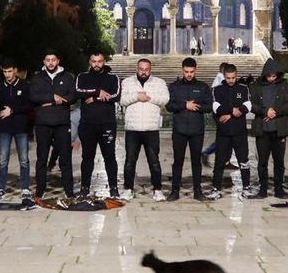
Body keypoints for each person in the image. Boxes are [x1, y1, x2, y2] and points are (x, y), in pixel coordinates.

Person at [120, 58, 170, 201]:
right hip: (132, 128)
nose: (143, 72)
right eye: (141, 69)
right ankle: (128, 189)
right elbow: (122, 100)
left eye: (146, 69)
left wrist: (147, 96)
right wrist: (136, 96)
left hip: (151, 128)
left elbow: (165, 99)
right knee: (130, 161)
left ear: (150, 69)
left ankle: (158, 190)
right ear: (137, 69)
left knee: (154, 161)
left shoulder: (159, 82)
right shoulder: (127, 82)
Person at [30, 50, 77, 198]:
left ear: (58, 61)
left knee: (65, 158)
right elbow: (33, 96)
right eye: (48, 60)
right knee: (42, 158)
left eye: (53, 60)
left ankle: (69, 191)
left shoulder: (67, 77)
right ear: (44, 62)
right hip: (43, 123)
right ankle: (40, 190)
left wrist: (51, 102)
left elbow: (73, 96)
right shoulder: (37, 77)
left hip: (62, 123)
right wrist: (53, 97)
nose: (51, 63)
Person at [75, 52, 121, 198]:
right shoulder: (82, 77)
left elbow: (116, 96)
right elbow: (77, 92)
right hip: (87, 125)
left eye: (99, 61)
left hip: (107, 124)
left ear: (104, 61)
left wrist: (94, 98)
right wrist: (97, 92)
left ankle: (113, 188)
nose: (96, 64)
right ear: (90, 62)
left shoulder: (113, 78)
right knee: (87, 157)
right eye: (94, 61)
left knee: (110, 157)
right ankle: (84, 188)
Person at [166, 57, 212, 201]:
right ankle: (175, 190)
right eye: (186, 72)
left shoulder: (203, 87)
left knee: (196, 161)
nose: (189, 74)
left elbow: (209, 107)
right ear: (182, 70)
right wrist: (185, 105)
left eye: (191, 72)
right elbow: (169, 106)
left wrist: (196, 106)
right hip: (179, 130)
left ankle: (198, 191)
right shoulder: (174, 87)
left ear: (195, 70)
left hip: (197, 131)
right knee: (177, 161)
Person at [249, 58, 288, 199]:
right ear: (264, 75)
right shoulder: (255, 86)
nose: (272, 78)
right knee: (262, 162)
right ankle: (262, 190)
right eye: (269, 76)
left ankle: (279, 189)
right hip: (262, 130)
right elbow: (252, 105)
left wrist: (275, 112)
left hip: (279, 129)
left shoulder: (284, 85)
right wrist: (265, 112)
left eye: (274, 76)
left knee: (279, 162)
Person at [207, 64, 252, 199]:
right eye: (228, 78)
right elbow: (215, 107)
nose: (231, 80)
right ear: (224, 76)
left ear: (236, 76)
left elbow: (248, 105)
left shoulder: (243, 89)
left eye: (233, 78)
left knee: (243, 160)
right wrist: (232, 110)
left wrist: (231, 114)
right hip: (223, 132)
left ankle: (246, 187)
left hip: (240, 132)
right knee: (219, 161)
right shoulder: (217, 90)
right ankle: (216, 188)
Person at [0, 59, 32, 199]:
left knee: (24, 159)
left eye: (9, 71)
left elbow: (29, 105)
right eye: (5, 71)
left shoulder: (24, 85)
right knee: (3, 159)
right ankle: (0, 187)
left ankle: (25, 188)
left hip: (21, 127)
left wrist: (13, 110)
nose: (7, 74)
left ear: (15, 70)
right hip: (4, 127)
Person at [201, 62, 230, 166]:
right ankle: (208, 152)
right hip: (221, 112)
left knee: (226, 136)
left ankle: (224, 159)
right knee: (225, 136)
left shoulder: (218, 79)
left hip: (220, 111)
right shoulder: (221, 80)